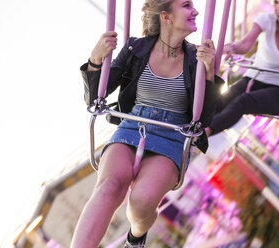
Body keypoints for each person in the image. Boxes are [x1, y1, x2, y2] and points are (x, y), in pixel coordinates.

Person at [71, 0, 223, 247]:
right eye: (186, 5)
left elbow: (202, 120)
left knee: (141, 201)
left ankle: (136, 237)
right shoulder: (135, 48)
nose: (195, 11)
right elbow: (96, 96)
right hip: (133, 126)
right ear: (166, 17)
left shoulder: (198, 57)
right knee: (110, 186)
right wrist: (96, 59)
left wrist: (208, 73)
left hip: (172, 135)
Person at [205, 0, 279, 136]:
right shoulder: (267, 19)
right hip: (252, 79)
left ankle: (203, 134)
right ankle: (189, 127)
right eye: (276, 3)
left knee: (243, 101)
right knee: (221, 101)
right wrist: (230, 48)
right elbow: (245, 44)